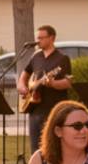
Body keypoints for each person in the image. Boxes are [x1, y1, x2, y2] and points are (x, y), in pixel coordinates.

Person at [17, 25, 73, 154]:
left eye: (41, 38)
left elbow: (68, 83)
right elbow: (24, 75)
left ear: (52, 38)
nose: (38, 41)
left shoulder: (62, 58)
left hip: (53, 109)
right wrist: (23, 86)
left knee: (52, 146)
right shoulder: (36, 56)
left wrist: (52, 84)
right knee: (35, 148)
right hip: (34, 109)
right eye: (37, 38)